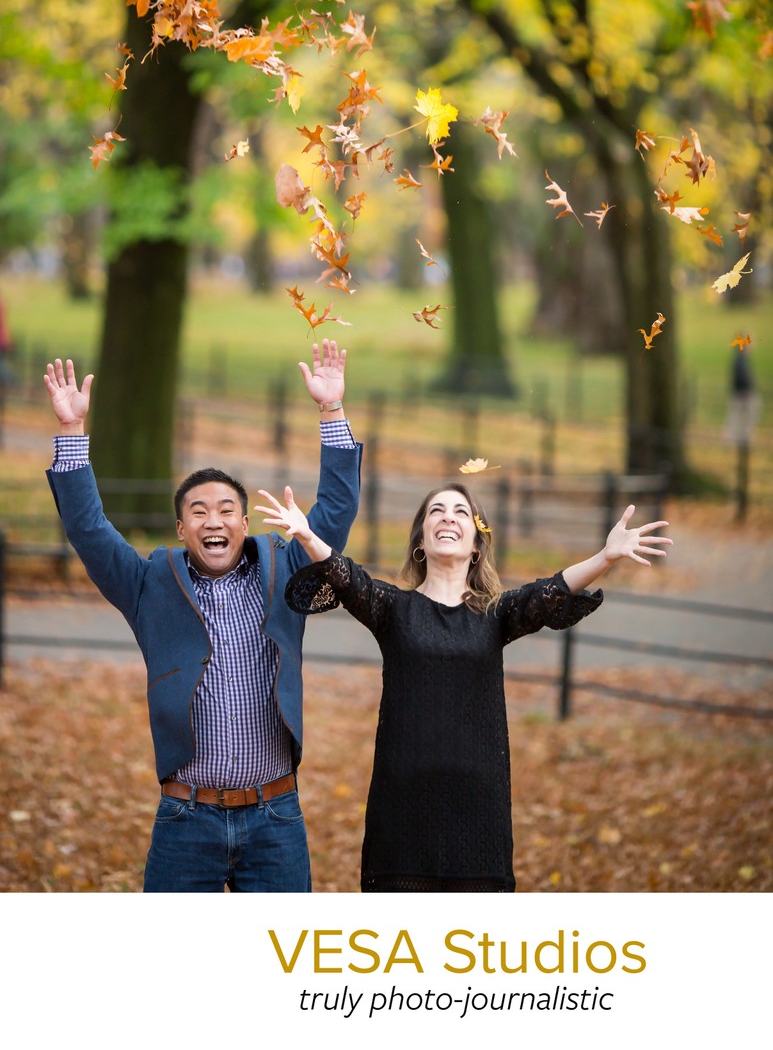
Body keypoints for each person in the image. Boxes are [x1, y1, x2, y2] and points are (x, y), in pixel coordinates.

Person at [43, 339, 361, 893]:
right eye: (198, 511)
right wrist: (72, 433)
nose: (213, 520)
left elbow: (335, 509)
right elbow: (90, 531)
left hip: (276, 816)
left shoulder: (286, 569)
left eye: (226, 510)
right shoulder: (149, 585)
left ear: (244, 523)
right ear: (182, 530)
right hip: (186, 819)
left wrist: (330, 411)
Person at [255, 478, 671, 893]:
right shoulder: (393, 609)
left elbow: (551, 591)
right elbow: (348, 577)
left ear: (476, 544)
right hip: (404, 806)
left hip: (478, 807)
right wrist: (308, 535)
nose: (447, 518)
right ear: (420, 539)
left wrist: (606, 556)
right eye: (436, 511)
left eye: (459, 512)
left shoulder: (495, 615)